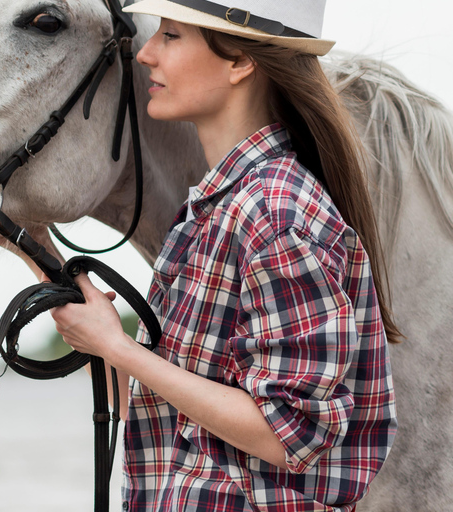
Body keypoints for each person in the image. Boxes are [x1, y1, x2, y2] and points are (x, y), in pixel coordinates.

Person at [48, 1, 398, 510]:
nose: (145, 53)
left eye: (171, 35)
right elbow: (160, 409)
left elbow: (289, 433)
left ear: (239, 59)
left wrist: (120, 348)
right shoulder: (221, 208)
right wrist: (44, 262)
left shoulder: (275, 212)